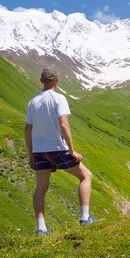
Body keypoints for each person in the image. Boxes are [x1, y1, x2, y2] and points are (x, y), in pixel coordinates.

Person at [24, 68, 101, 234]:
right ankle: (85, 218)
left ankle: (41, 228)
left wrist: (30, 155)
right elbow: (64, 124)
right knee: (85, 176)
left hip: (39, 151)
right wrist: (72, 151)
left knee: (40, 188)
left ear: (41, 81)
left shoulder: (33, 102)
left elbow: (27, 129)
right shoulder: (59, 98)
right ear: (56, 81)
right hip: (57, 148)